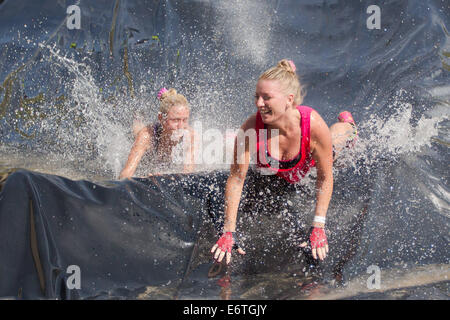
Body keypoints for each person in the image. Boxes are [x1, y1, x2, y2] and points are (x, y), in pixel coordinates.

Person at [210, 59, 358, 265]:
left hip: (308, 164)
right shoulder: (251, 128)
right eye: (257, 97)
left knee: (335, 149)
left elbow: (325, 179)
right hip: (278, 172)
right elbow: (236, 179)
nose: (259, 103)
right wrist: (228, 232)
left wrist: (318, 226)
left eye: (266, 97)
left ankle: (347, 125)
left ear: (289, 99)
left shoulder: (313, 125)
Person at [119, 88, 196, 179]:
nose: (181, 126)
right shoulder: (146, 136)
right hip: (148, 139)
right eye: (175, 120)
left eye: (185, 120)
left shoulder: (189, 135)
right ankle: (136, 118)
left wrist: (166, 178)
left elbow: (187, 174)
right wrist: (145, 180)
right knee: (138, 130)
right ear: (161, 118)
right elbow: (124, 176)